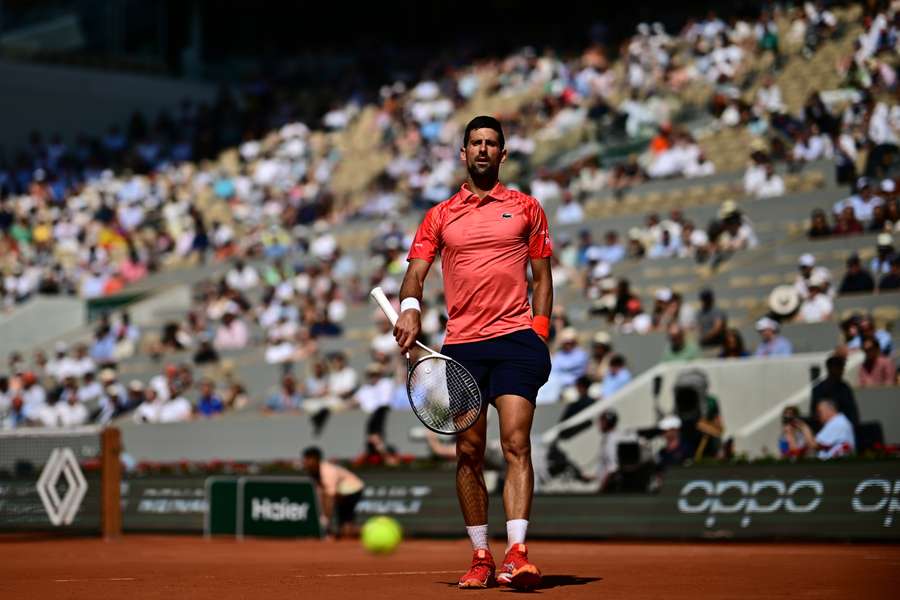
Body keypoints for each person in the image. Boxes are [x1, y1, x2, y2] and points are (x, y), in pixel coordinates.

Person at [393, 116, 552, 590]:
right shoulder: (439, 215)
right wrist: (409, 309)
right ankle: (482, 555)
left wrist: (538, 333)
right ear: (463, 154)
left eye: (491, 144)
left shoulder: (527, 208)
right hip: (462, 346)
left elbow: (542, 279)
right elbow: (416, 274)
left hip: (516, 341)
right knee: (467, 451)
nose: (483, 150)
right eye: (475, 143)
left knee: (516, 443)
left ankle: (517, 552)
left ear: (503, 155)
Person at [302, 446, 365, 539]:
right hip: (341, 493)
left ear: (316, 459)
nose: (305, 462)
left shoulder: (328, 471)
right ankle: (345, 530)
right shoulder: (313, 472)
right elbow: (323, 494)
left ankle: (369, 531)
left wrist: (324, 521)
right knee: (344, 528)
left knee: (346, 529)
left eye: (308, 459)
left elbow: (329, 497)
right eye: (305, 459)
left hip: (353, 490)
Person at [810, 355, 858, 428]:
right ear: (829, 368)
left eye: (841, 368)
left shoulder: (845, 388)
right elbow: (814, 413)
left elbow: (852, 413)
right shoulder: (818, 389)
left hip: (843, 428)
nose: (841, 371)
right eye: (838, 367)